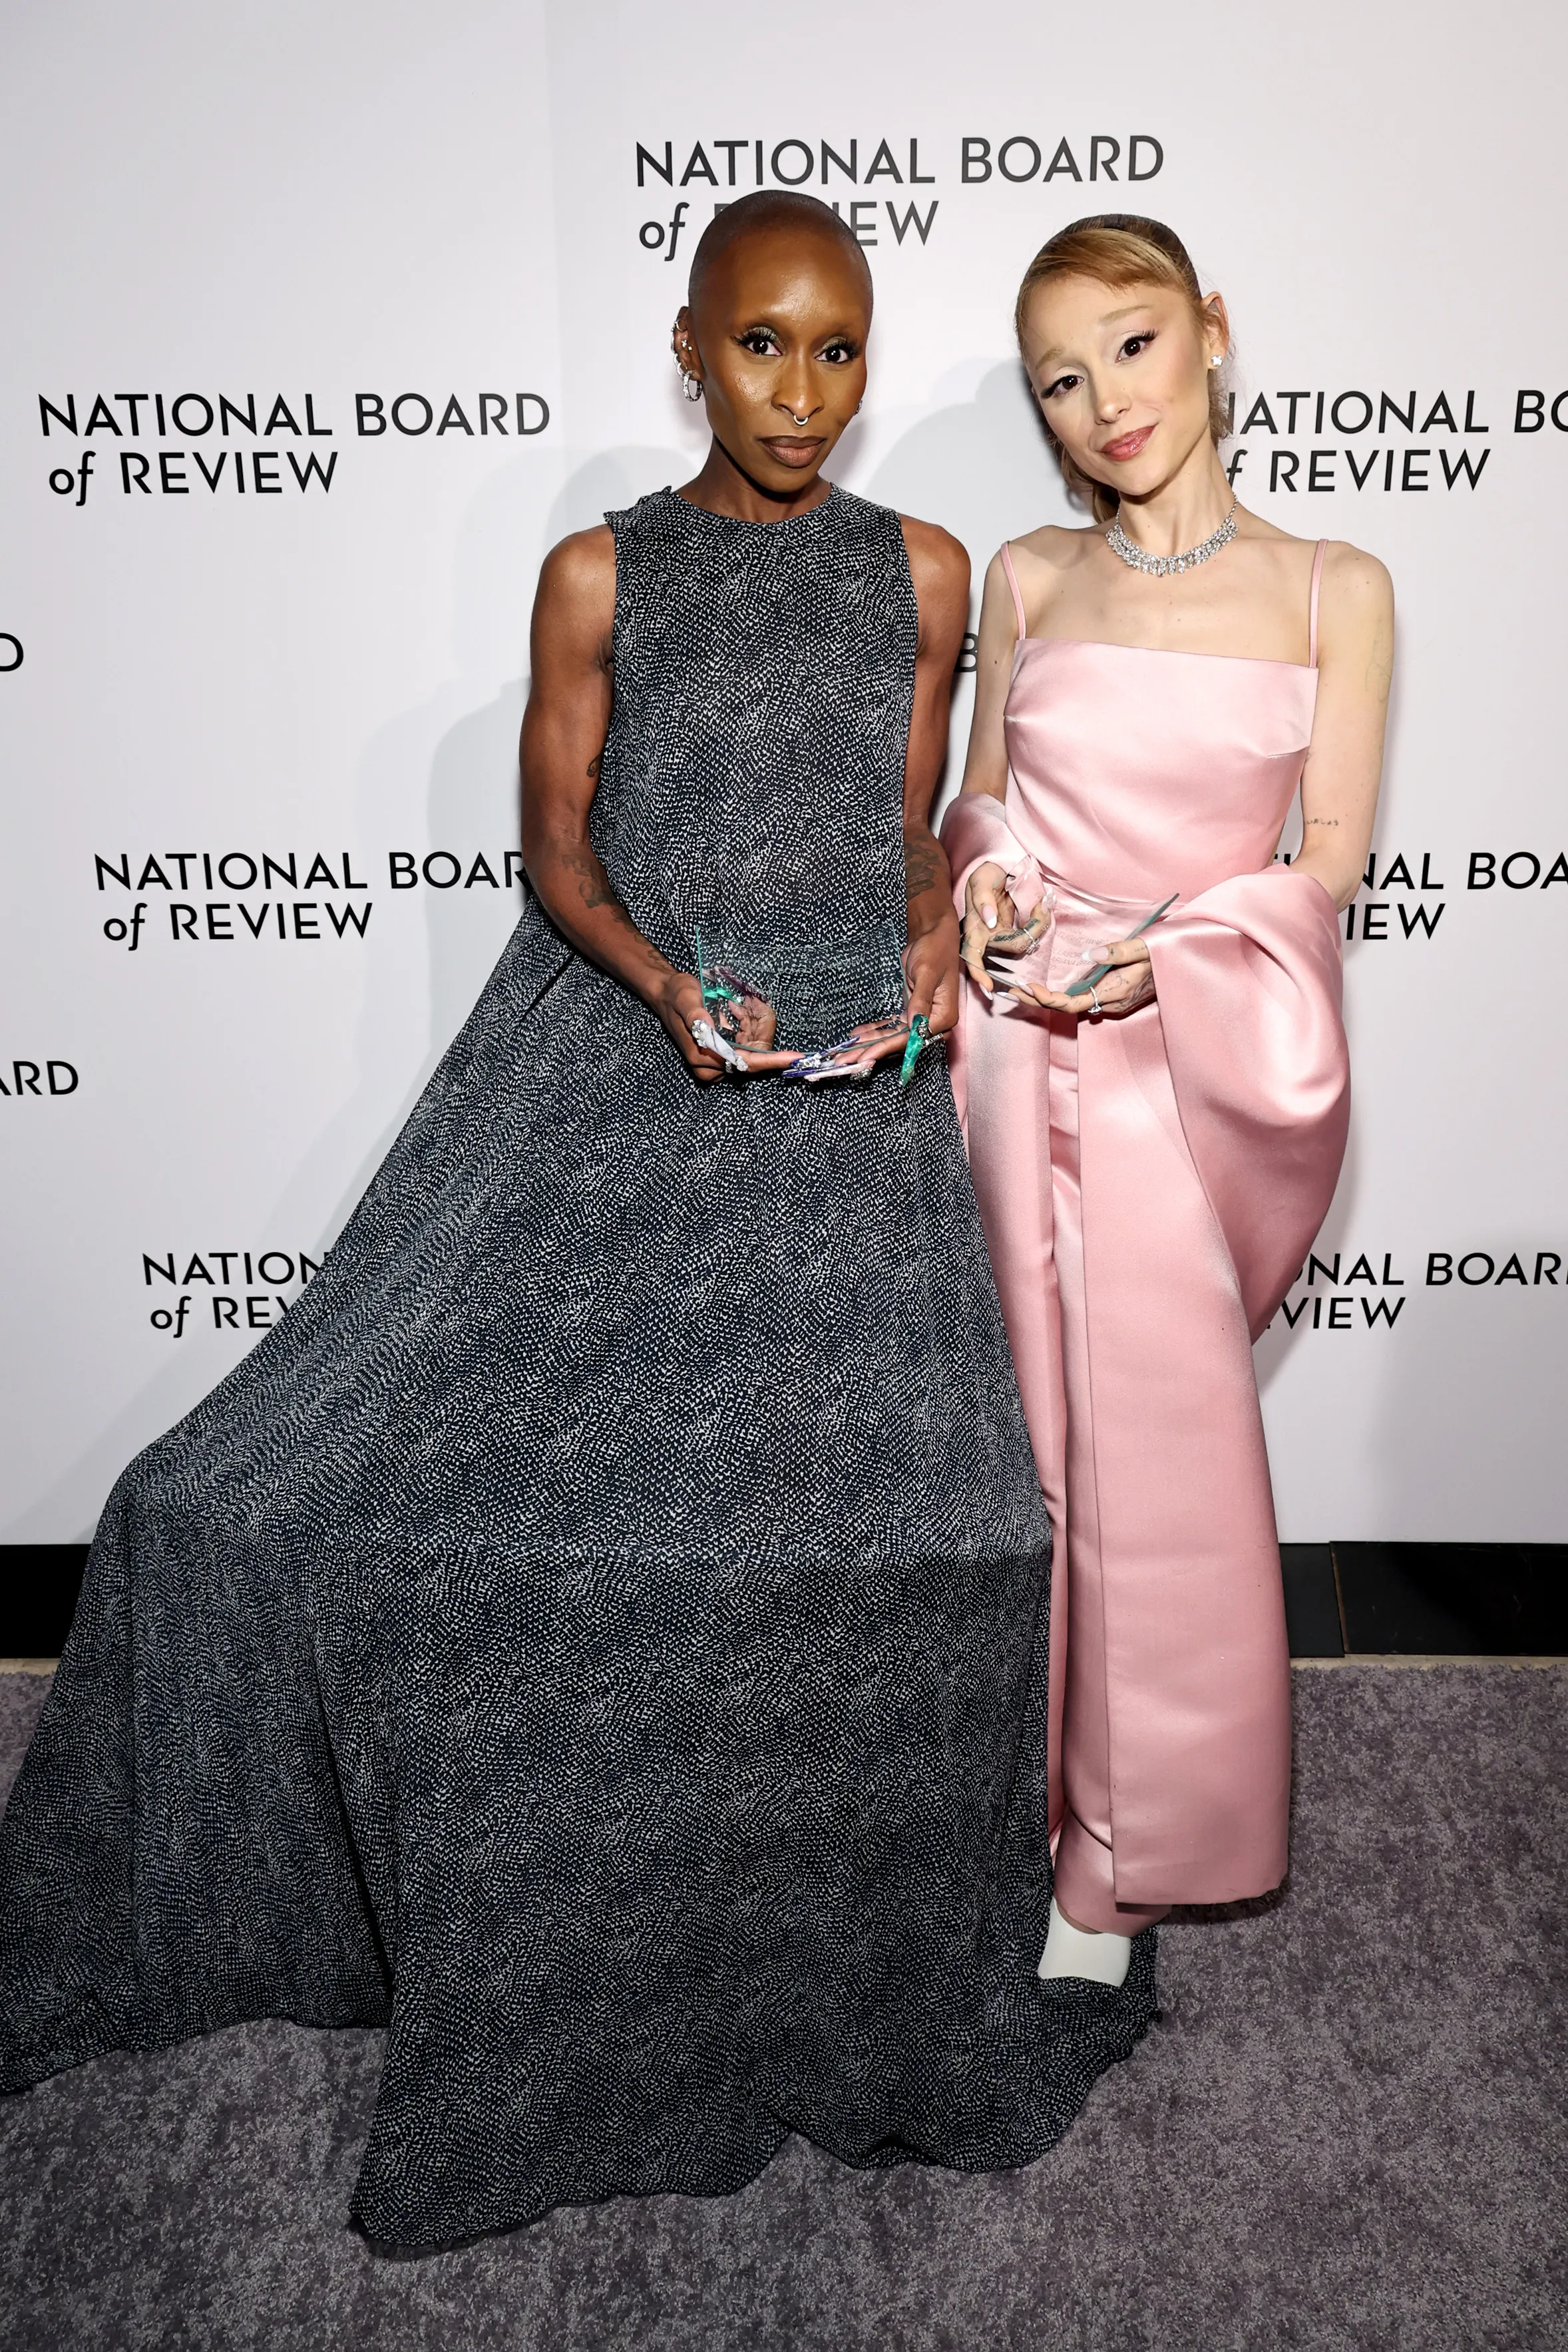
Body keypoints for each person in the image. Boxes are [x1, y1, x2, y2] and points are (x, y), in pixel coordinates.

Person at [0, 192, 1155, 2252]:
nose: (801, 392)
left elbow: (906, 837)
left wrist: (914, 971)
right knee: (248, 1491)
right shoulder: (598, 572)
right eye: (761, 346)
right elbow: (553, 850)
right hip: (624, 1034)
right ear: (688, 346)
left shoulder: (924, 567)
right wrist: (660, 984)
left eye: (838, 352)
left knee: (951, 1527)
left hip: (851, 1076)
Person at [942, 215, 1391, 1987]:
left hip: (1172, 1067)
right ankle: (1015, 1799)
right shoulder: (1026, 575)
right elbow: (978, 804)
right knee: (1021, 1460)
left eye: (1128, 345)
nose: (1100, 403)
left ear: (1211, 328)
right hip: (1000, 1055)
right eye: (1060, 377)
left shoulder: (1325, 589)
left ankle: (1123, 1852)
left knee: (1154, 1463)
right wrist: (982, 873)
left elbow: (1326, 869)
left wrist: (1165, 965)